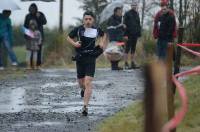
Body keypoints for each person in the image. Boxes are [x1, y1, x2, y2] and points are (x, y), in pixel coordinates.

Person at [67, 11, 106, 116]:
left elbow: (103, 35)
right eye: (86, 19)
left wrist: (102, 42)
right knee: (81, 82)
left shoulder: (97, 29)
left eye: (90, 19)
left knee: (88, 81)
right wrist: (75, 43)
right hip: (80, 57)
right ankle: (82, 89)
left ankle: (85, 107)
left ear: (93, 20)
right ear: (83, 20)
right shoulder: (79, 29)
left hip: (91, 57)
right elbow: (68, 37)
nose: (88, 21)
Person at [24, 3, 47, 68]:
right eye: (30, 9)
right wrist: (25, 36)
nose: (31, 10)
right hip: (30, 36)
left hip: (39, 35)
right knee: (30, 51)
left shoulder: (40, 14)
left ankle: (38, 64)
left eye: (33, 9)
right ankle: (30, 65)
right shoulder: (28, 16)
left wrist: (39, 17)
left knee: (38, 51)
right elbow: (25, 26)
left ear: (36, 9)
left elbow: (44, 22)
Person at [124, 1, 141, 69]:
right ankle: (125, 63)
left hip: (135, 34)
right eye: (133, 5)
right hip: (128, 34)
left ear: (136, 6)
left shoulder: (137, 14)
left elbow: (138, 24)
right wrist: (125, 35)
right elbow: (124, 24)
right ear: (131, 6)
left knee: (133, 49)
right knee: (127, 49)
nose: (134, 6)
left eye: (135, 5)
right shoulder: (127, 13)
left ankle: (132, 63)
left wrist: (139, 33)